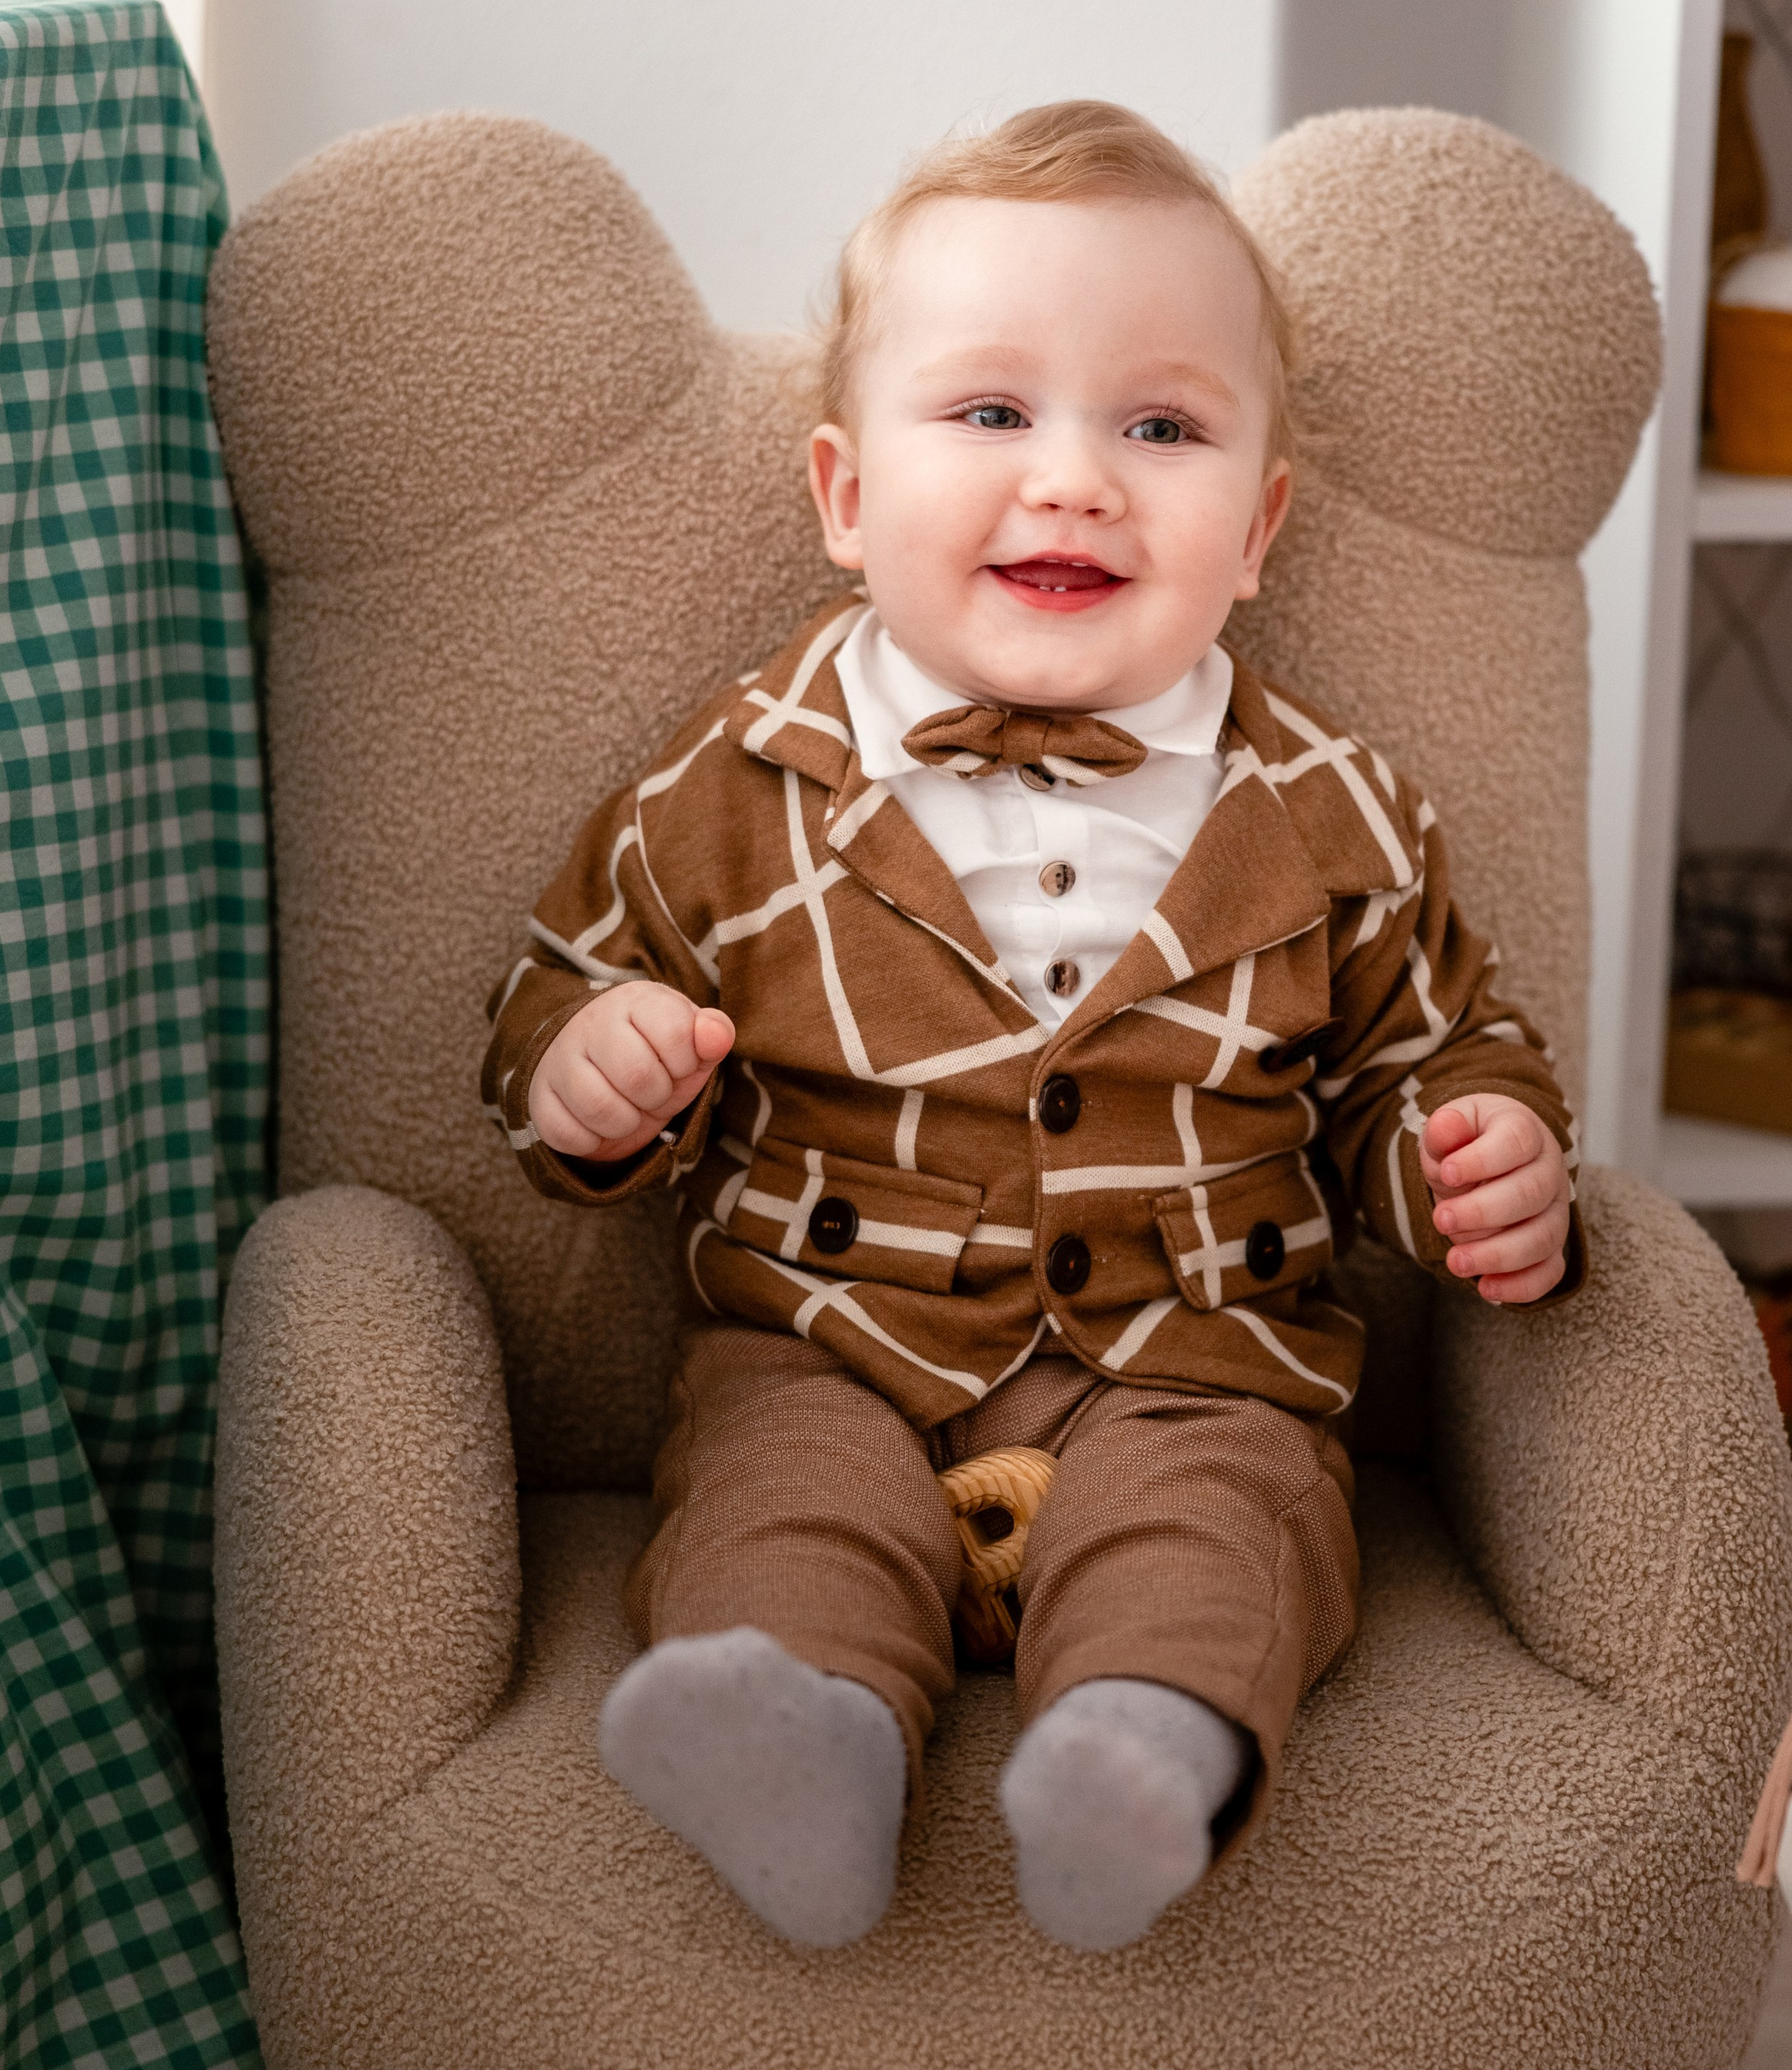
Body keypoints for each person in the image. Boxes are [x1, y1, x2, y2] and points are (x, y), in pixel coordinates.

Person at [482, 101, 1580, 1954]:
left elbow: (1430, 1046)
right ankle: (807, 1760)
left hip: (1195, 1357)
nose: (1074, 480)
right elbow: (551, 995)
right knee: (779, 1508)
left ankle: (1135, 1757)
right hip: (831, 1341)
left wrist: (1477, 1155)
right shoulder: (733, 785)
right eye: (989, 415)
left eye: (1158, 428)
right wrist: (593, 1074)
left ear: (1257, 527)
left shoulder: (1328, 807)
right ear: (842, 497)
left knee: (1220, 1537)